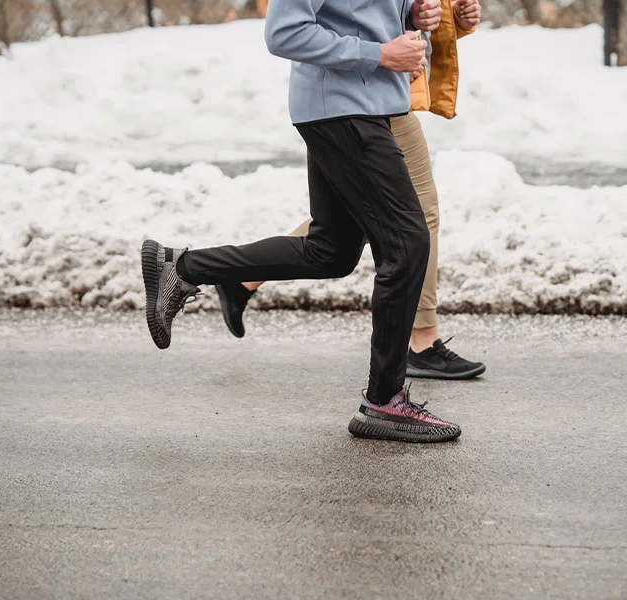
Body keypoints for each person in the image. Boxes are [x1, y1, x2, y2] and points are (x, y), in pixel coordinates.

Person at [141, 0, 462, 443]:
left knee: (329, 252)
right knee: (408, 244)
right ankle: (384, 400)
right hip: (344, 109)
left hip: (365, 107)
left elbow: (366, 13)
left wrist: (414, 15)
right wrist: (380, 54)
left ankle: (183, 267)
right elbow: (285, 33)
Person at [215, 0, 486, 381]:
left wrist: (437, 17)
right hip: (351, 99)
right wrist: (382, 53)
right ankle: (418, 345)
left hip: (380, 93)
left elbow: (384, 15)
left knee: (354, 223)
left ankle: (234, 276)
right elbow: (288, 32)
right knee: (411, 221)